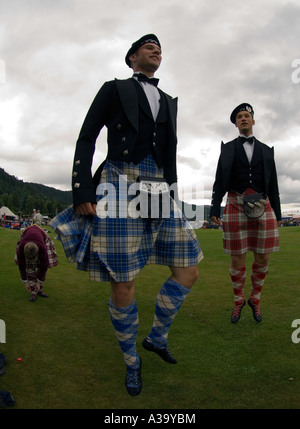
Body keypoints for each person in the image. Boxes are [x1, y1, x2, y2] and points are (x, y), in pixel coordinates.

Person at [50, 34, 203, 396]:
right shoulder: (114, 88)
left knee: (188, 269)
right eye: (148, 46)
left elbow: (171, 151)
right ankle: (131, 360)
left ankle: (156, 337)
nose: (156, 50)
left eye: (160, 47)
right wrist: (82, 189)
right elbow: (86, 137)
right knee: (124, 280)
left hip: (159, 185)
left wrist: (174, 192)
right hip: (118, 179)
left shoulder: (168, 101)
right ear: (133, 57)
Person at [210, 103, 281, 323]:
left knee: (262, 257)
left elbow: (274, 184)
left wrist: (277, 213)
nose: (243, 119)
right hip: (234, 203)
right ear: (236, 123)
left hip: (263, 203)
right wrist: (214, 206)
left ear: (253, 120)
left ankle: (255, 299)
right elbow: (220, 180)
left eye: (247, 115)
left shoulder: (267, 150)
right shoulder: (228, 149)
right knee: (237, 260)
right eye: (239, 116)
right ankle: (238, 300)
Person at [15, 224, 58, 302]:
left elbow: (43, 266)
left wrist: (38, 282)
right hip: (26, 235)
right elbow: (21, 265)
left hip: (42, 237)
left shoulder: (42, 247)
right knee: (30, 268)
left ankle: (39, 289)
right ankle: (33, 292)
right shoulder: (21, 247)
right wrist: (25, 282)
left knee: (44, 266)